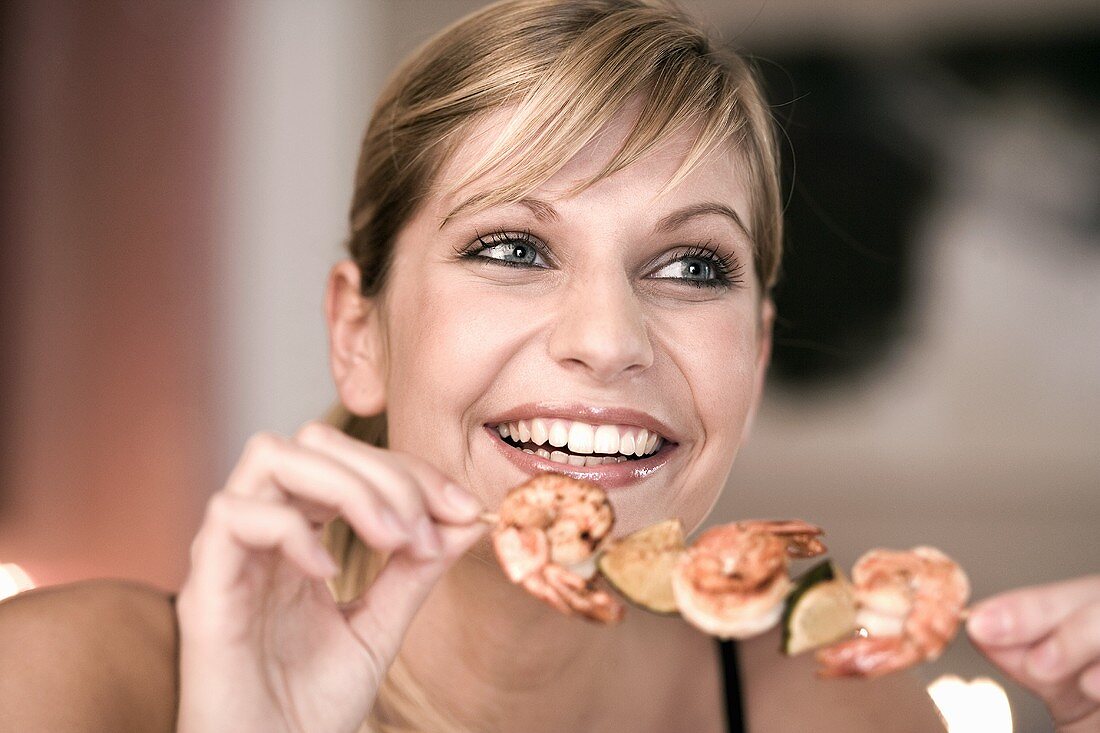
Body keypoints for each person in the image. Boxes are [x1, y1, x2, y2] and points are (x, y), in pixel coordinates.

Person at [0, 1, 1097, 731]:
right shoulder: (62, 686)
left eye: (688, 265)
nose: (609, 337)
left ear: (752, 360)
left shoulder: (837, 709)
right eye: (512, 248)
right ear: (357, 333)